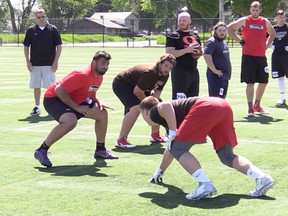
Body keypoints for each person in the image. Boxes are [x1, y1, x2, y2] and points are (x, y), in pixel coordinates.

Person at [139, 96, 275, 200]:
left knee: (178, 147)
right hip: (223, 105)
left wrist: (174, 132)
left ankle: (204, 184)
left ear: (145, 112)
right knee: (226, 156)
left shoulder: (154, 112)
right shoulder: (168, 120)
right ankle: (262, 178)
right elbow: (171, 148)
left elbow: (165, 105)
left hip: (206, 106)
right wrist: (159, 171)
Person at [34, 51, 118, 168]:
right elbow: (59, 90)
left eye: (107, 64)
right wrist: (77, 107)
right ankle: (41, 150)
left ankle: (100, 150)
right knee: (70, 121)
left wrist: (99, 102)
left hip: (76, 99)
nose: (105, 67)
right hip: (54, 98)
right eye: (103, 63)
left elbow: (91, 92)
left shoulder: (99, 76)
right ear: (94, 63)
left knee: (102, 114)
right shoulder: (82, 74)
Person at [113, 54, 176, 148]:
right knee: (135, 108)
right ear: (160, 63)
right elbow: (137, 92)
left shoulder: (165, 75)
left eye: (170, 68)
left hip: (139, 87)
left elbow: (157, 95)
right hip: (122, 84)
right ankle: (121, 140)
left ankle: (155, 135)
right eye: (166, 66)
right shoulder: (150, 73)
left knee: (158, 106)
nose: (167, 69)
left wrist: (155, 104)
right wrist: (147, 104)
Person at [227, 1, 276, 117]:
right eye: (253, 10)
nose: (255, 12)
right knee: (250, 82)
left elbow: (272, 33)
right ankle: (250, 109)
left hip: (261, 57)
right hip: (248, 57)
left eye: (257, 10)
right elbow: (229, 28)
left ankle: (257, 105)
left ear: (260, 10)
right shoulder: (245, 20)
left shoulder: (264, 21)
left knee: (264, 81)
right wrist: (239, 41)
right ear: (250, 10)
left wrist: (267, 45)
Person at [24, 8, 62, 116]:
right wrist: (28, 61)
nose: (41, 19)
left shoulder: (53, 29)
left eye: (43, 17)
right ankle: (37, 107)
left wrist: (56, 62)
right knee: (36, 86)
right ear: (35, 18)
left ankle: (53, 107)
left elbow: (59, 46)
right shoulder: (31, 30)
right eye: (39, 17)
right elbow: (26, 46)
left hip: (49, 64)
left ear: (46, 16)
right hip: (35, 64)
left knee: (51, 87)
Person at [166, 9, 202, 100]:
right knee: (179, 99)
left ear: (190, 21)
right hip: (180, 71)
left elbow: (198, 53)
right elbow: (169, 53)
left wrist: (198, 53)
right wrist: (186, 50)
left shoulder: (195, 35)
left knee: (193, 99)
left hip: (193, 71)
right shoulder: (173, 35)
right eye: (180, 20)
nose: (182, 23)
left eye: (184, 20)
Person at [204, 22, 231, 98]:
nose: (222, 32)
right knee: (216, 99)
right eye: (220, 30)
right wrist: (214, 70)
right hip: (216, 76)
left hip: (224, 76)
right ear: (215, 31)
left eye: (224, 30)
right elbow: (206, 55)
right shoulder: (212, 42)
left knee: (222, 98)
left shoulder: (223, 42)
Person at [271, 9, 288, 107]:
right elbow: (265, 39)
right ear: (276, 18)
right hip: (276, 56)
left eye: (283, 17)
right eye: (280, 17)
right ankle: (282, 98)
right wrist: (270, 46)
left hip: (286, 55)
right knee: (280, 77)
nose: (281, 19)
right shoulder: (273, 29)